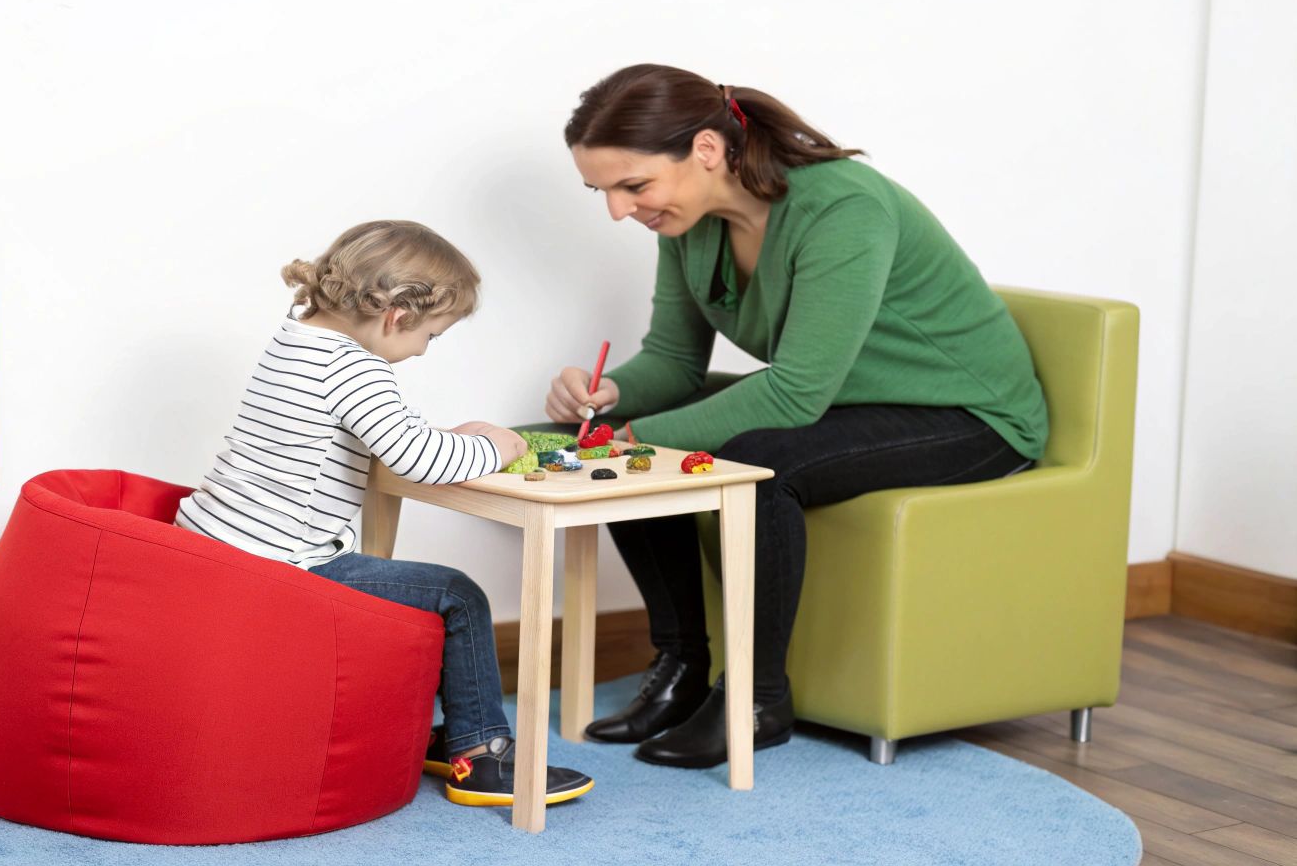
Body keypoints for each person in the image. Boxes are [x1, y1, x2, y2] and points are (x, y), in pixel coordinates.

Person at [548, 64, 1047, 769]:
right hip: (852, 402)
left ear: (708, 151)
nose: (620, 211)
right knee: (641, 431)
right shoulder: (688, 223)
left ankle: (756, 698)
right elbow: (671, 363)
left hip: (968, 415)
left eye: (634, 186)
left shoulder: (844, 207)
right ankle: (682, 665)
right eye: (603, 192)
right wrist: (607, 401)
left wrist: (631, 444)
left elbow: (795, 397)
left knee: (758, 463)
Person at [177, 219, 595, 807]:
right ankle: (484, 759)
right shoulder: (353, 367)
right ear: (397, 317)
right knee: (458, 595)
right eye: (432, 335)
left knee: (417, 592)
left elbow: (375, 436)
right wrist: (502, 444)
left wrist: (442, 438)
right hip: (280, 565)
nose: (424, 350)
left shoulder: (294, 340)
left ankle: (453, 734)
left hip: (217, 546)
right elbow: (420, 460)